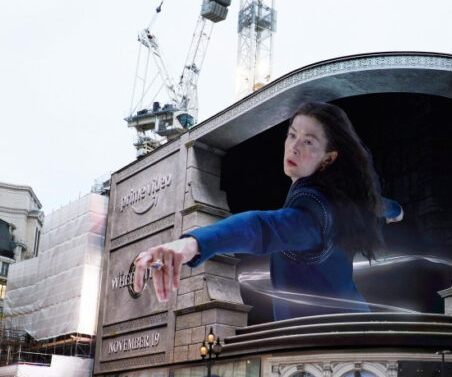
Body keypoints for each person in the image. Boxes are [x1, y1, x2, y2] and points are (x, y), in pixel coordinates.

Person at [134, 102, 402, 321]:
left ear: (328, 158)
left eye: (308, 142)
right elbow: (377, 204)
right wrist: (396, 211)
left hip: (334, 348)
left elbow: (261, 227)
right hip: (349, 333)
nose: (294, 146)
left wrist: (193, 243)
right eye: (292, 134)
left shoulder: (312, 214)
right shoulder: (345, 201)